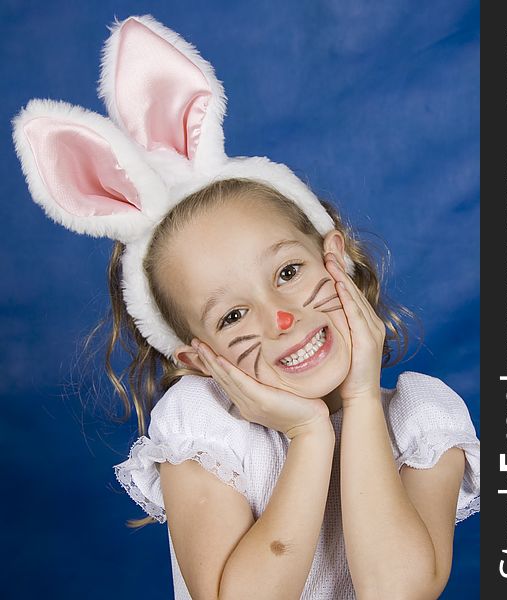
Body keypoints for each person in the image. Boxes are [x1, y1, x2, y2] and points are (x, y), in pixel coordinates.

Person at [12, 14, 480, 600]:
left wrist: (360, 399)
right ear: (200, 358)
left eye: (288, 272)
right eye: (232, 316)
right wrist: (309, 436)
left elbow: (398, 591)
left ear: (337, 253)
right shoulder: (202, 426)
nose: (279, 319)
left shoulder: (422, 419)